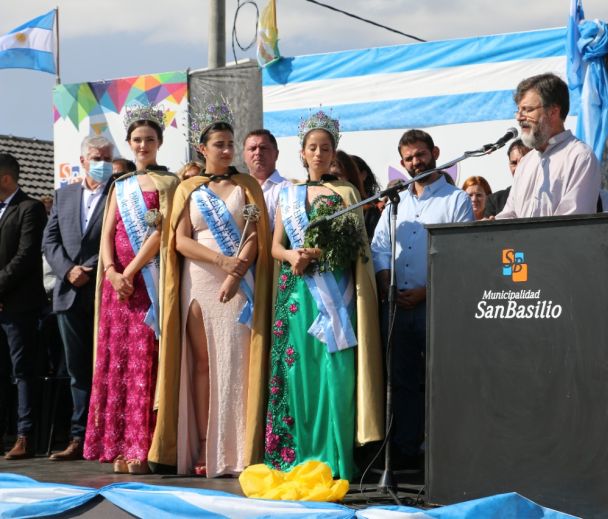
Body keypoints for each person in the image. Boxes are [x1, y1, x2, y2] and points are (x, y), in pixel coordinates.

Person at [148, 99, 272, 478]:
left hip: (239, 281)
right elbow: (180, 241)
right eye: (219, 144)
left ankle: (236, 449)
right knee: (201, 364)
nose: (227, 150)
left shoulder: (247, 184)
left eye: (230, 143)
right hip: (199, 279)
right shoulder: (188, 188)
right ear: (202, 149)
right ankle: (203, 445)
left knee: (236, 363)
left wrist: (236, 272)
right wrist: (221, 263)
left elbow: (255, 236)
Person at [264, 110, 384, 480]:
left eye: (325, 148)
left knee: (335, 372)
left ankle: (333, 457)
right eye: (312, 148)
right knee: (299, 372)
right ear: (301, 152)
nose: (318, 153)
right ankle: (296, 454)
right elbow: (275, 246)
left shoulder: (347, 192)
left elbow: (356, 251)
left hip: (336, 295)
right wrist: (291, 255)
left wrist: (321, 254)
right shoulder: (287, 193)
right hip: (297, 294)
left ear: (335, 153)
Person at [83, 106, 179, 474]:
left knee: (144, 364)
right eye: (137, 140)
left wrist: (131, 271)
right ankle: (117, 446)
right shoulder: (119, 186)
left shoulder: (169, 183)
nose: (143, 145)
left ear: (159, 143)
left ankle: (142, 447)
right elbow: (107, 233)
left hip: (146, 286)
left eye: (149, 139)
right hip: (116, 290)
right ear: (129, 143)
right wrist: (110, 270)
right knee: (116, 364)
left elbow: (162, 233)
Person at [371, 129, 473, 466]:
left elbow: (461, 256)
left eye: (421, 155)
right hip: (398, 306)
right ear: (402, 163)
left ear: (435, 153)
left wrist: (425, 292)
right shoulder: (396, 202)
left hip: (436, 305)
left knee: (438, 378)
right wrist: (389, 286)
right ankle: (405, 448)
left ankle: (442, 449)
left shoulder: (455, 200)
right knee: (401, 380)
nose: (416, 162)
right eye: (409, 158)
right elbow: (380, 248)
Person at [43, 135, 114, 462]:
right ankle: (79, 436)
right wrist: (68, 270)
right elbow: (50, 240)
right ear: (83, 160)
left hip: (106, 293)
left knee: (109, 368)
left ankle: (108, 437)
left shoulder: (118, 192)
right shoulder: (65, 195)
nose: (103, 164)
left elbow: (122, 239)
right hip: (69, 295)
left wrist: (91, 268)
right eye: (97, 157)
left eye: (108, 157)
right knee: (78, 371)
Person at [496, 73, 600, 219]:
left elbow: (574, 221)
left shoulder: (580, 157)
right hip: (519, 242)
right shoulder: (526, 162)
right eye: (518, 111)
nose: (519, 117)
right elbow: (510, 214)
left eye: (527, 110)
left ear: (553, 112)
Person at [0, 153, 47, 460]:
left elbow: (26, 256)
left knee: (22, 371)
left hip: (19, 306)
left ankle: (24, 435)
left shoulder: (29, 209)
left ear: (5, 178)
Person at [243, 129, 289, 230]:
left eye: (263, 148)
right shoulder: (238, 188)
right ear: (244, 156)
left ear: (276, 154)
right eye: (252, 148)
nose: (258, 152)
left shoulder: (288, 189)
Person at [484, 140, 530, 218]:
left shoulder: (545, 193)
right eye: (514, 163)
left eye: (523, 162)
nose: (518, 168)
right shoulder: (495, 201)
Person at [351, 154, 382, 239]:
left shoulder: (377, 208)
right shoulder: (335, 204)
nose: (343, 179)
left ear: (363, 175)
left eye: (350, 173)